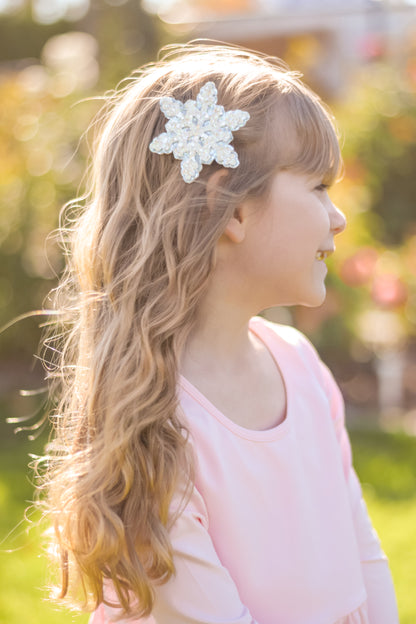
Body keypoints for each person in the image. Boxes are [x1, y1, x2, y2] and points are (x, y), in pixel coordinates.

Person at [39, 42, 399, 624]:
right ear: (229, 207)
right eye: (317, 188)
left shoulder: (300, 364)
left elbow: (363, 554)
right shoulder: (157, 421)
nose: (339, 217)